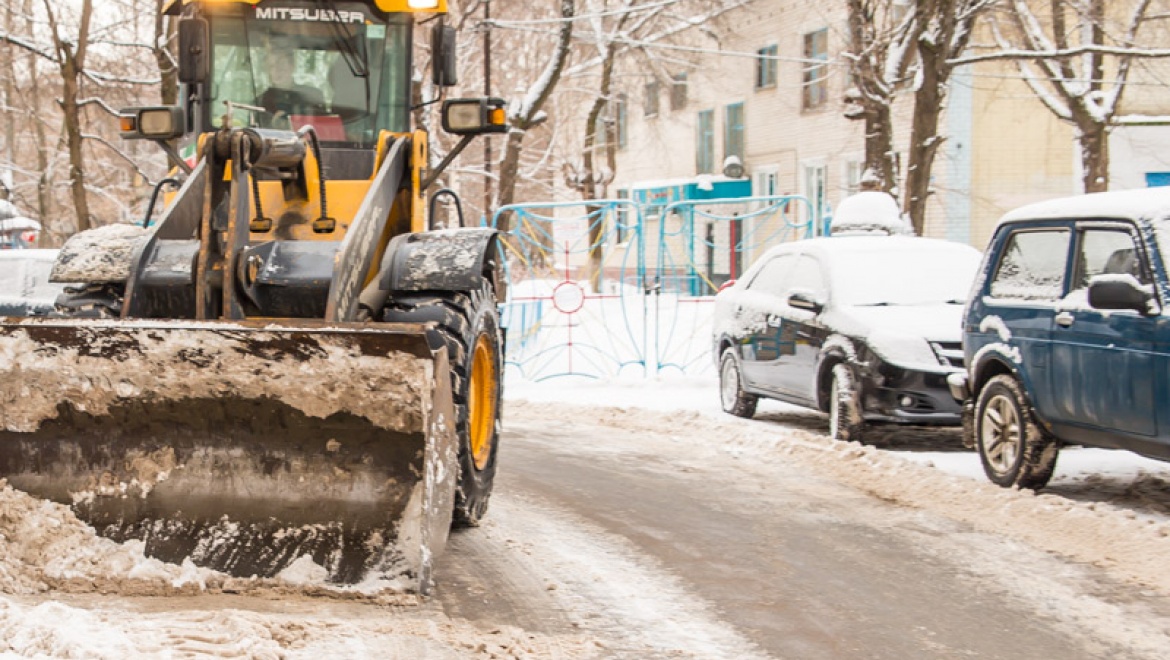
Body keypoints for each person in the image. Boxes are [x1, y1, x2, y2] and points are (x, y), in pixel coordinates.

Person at [256, 65, 326, 127]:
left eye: (281, 64)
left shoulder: (313, 97)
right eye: (272, 66)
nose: (276, 70)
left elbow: (324, 129)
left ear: (292, 65)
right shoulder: (260, 103)